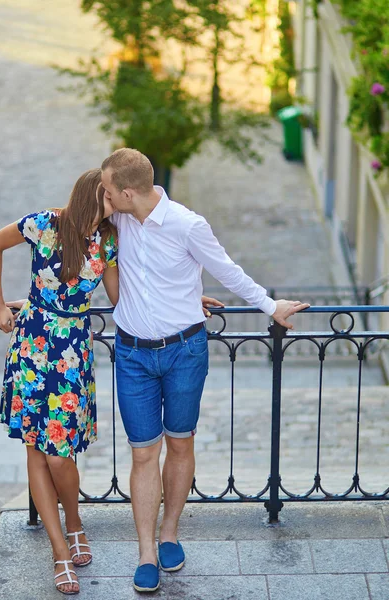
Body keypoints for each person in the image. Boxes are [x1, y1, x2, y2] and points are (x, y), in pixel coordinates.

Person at [100, 148, 310, 593]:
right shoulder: (115, 220)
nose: (103, 195)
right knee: (142, 453)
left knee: (179, 443)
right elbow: (75, 232)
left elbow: (227, 271)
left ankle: (170, 532)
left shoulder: (187, 225)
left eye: (107, 190)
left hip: (185, 353)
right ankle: (146, 553)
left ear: (128, 191)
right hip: (133, 355)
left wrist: (272, 307)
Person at [0, 169, 119, 595]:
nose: (117, 206)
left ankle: (75, 521)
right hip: (31, 344)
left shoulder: (109, 241)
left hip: (72, 351)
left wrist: (189, 298)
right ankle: (61, 550)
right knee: (36, 449)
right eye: (111, 199)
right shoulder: (43, 223)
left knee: (58, 455)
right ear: (93, 196)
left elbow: (123, 298)